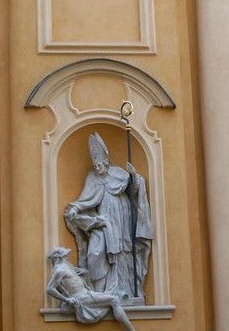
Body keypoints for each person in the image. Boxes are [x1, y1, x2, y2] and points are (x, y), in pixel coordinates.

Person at [64, 133, 153, 302]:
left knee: (124, 250)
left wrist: (134, 176)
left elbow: (133, 191)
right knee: (97, 251)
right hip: (105, 218)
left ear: (106, 163)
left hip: (122, 215)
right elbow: (85, 199)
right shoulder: (92, 178)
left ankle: (125, 289)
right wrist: (75, 208)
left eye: (99, 165)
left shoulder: (119, 173)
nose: (97, 167)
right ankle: (104, 291)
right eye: (95, 165)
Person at [46, 247, 136, 331]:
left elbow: (76, 279)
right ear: (58, 257)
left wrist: (84, 272)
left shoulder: (67, 267)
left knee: (114, 295)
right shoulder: (60, 270)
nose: (67, 257)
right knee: (114, 300)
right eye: (65, 255)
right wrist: (67, 300)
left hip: (87, 293)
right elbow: (50, 288)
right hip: (80, 298)